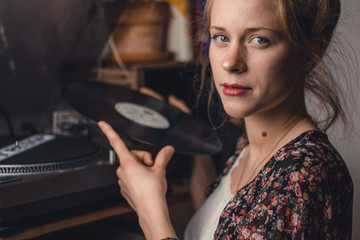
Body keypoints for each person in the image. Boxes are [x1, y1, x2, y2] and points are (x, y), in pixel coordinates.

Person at [98, 0, 354, 238]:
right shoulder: (255, 143)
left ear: (310, 52)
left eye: (259, 40)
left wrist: (151, 212)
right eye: (221, 37)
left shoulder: (303, 175)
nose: (231, 62)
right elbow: (222, 227)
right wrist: (191, 144)